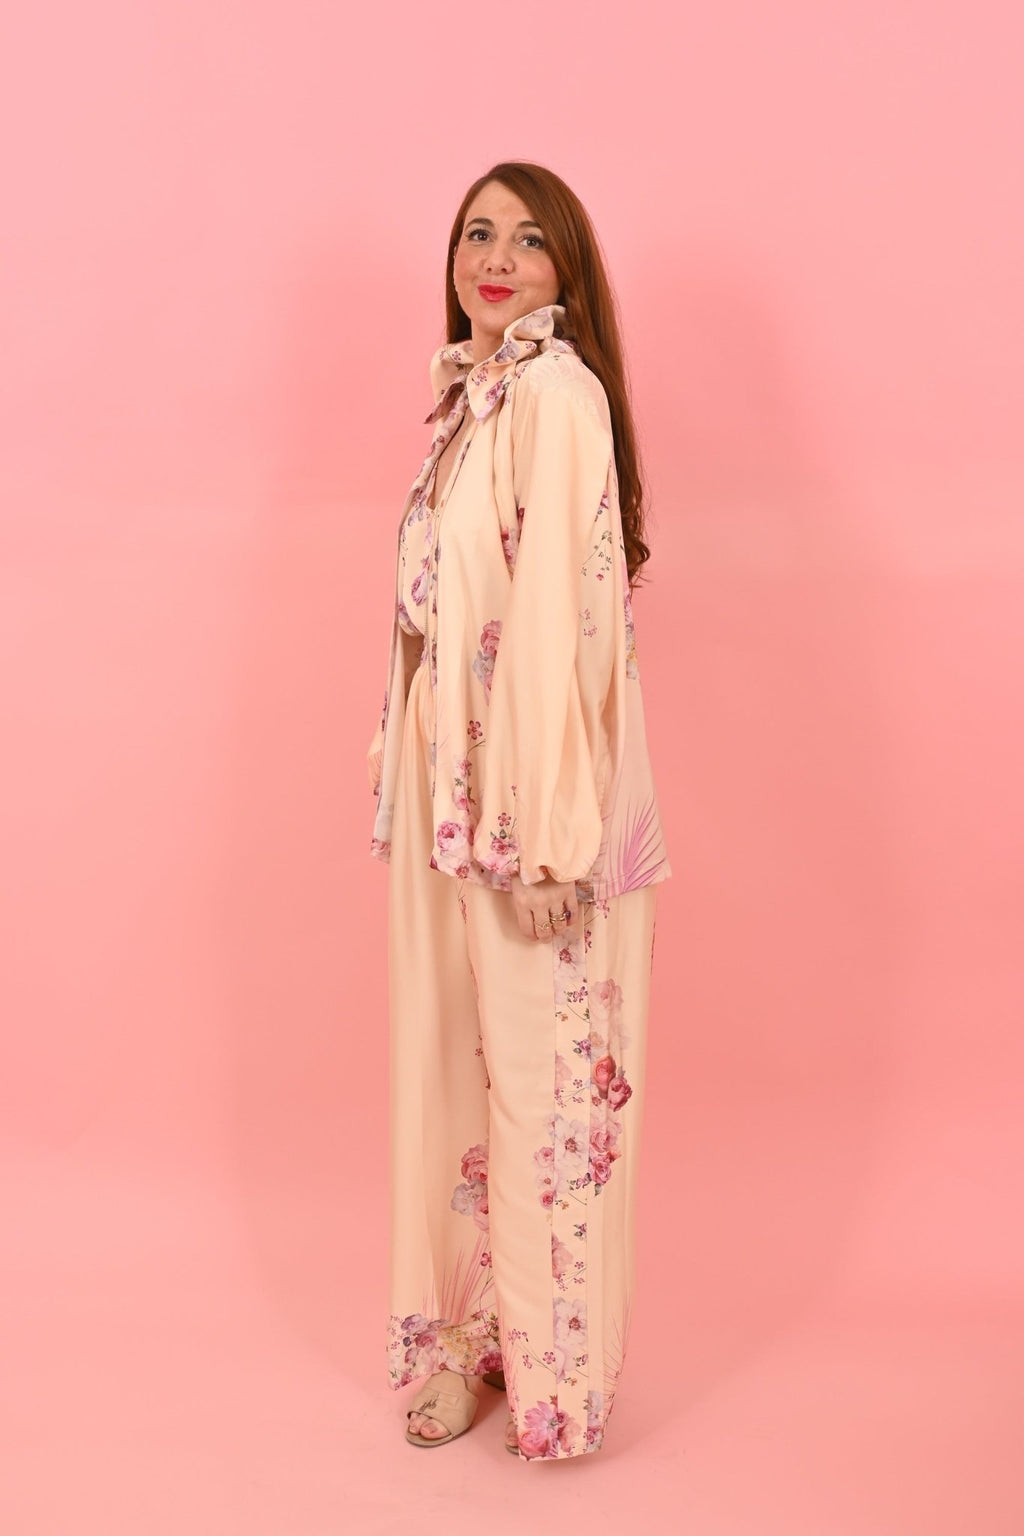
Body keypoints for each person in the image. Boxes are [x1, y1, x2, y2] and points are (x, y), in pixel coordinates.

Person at [366, 161, 670, 1460]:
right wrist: (404, 768)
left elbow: (553, 621)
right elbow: (436, 616)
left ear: (566, 270)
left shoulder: (553, 391)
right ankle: (465, 1344)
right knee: (452, 1079)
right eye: (477, 234)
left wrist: (549, 840)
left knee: (546, 1098)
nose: (495, 258)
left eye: (528, 239)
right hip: (451, 796)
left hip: (533, 816)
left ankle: (553, 1388)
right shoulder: (472, 401)